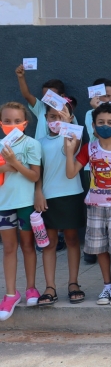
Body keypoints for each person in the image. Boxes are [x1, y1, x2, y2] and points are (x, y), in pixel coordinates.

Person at [64, 103, 111, 306]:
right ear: (93, 125)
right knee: (100, 248)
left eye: (110, 122)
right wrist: (69, 151)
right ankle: (106, 286)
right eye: (101, 122)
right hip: (95, 206)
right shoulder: (89, 148)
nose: (105, 126)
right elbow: (71, 173)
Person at [35, 98, 87, 306]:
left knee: (73, 239)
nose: (56, 120)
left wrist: (68, 124)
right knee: (49, 243)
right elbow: (38, 171)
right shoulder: (39, 142)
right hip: (48, 197)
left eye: (61, 116)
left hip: (72, 194)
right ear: (46, 119)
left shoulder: (76, 135)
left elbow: (70, 151)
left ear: (70, 117)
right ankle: (50, 287)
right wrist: (38, 191)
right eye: (52, 117)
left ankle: (73, 283)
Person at [0, 102, 42, 321]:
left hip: (26, 203)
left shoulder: (32, 144)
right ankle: (10, 293)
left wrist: (13, 162)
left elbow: (34, 176)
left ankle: (31, 288)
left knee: (27, 246)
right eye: (7, 121)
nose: (12, 125)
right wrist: (12, 166)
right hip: (4, 204)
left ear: (25, 123)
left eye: (17, 121)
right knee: (9, 248)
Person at [14, 66, 76, 140]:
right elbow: (27, 95)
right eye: (45, 97)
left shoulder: (68, 114)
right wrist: (21, 77)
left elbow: (74, 138)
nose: (47, 100)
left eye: (50, 96)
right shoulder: (41, 108)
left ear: (62, 96)